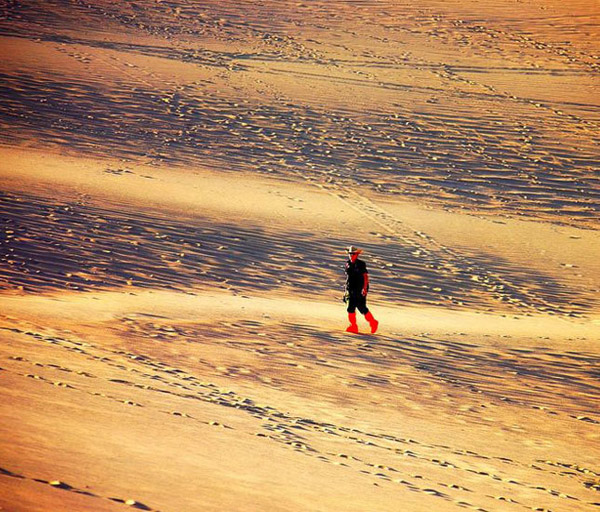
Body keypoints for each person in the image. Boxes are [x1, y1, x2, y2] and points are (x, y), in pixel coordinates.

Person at [344, 246, 379, 334]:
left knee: (362, 308)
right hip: (350, 288)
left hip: (359, 288)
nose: (351, 256)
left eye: (353, 254)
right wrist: (345, 290)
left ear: (357, 254)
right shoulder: (348, 264)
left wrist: (364, 288)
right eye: (350, 254)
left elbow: (365, 276)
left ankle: (373, 322)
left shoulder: (361, 264)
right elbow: (348, 277)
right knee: (350, 308)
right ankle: (353, 326)